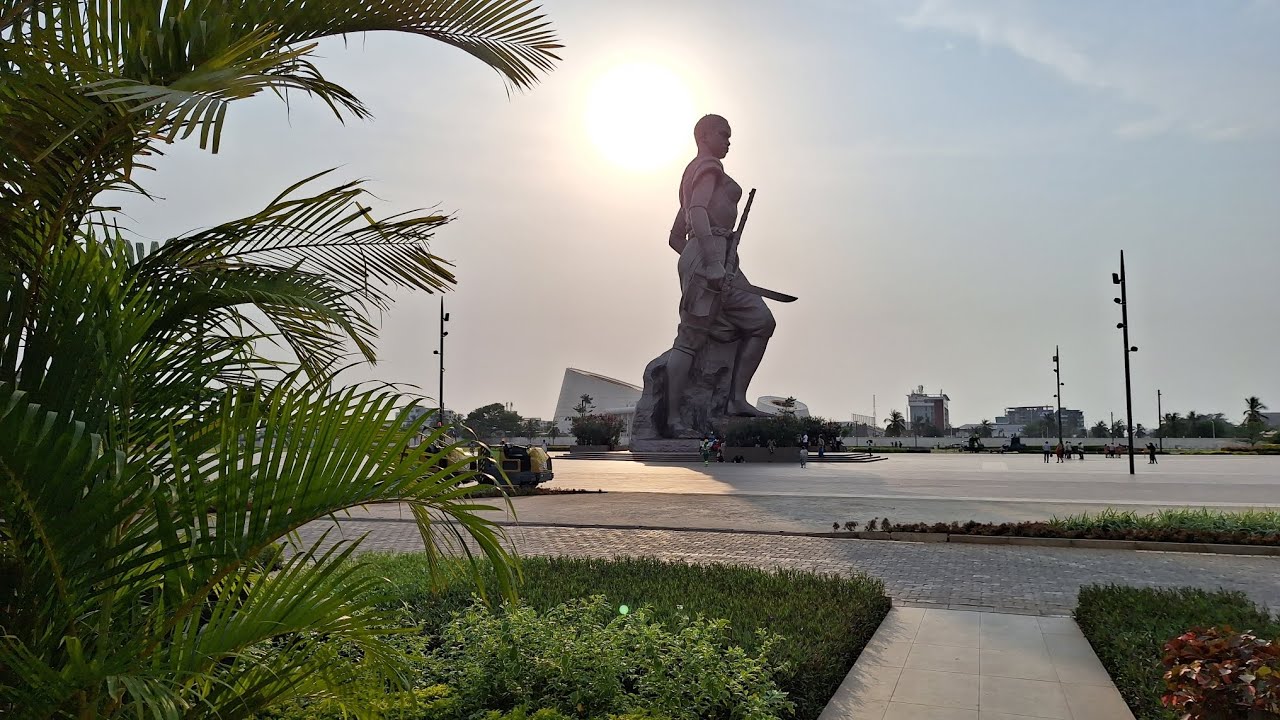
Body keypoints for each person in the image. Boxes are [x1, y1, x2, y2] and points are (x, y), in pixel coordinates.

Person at [661, 114, 776, 435]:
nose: (728, 141)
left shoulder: (693, 176)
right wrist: (709, 261)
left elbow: (674, 237)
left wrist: (713, 256)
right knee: (689, 338)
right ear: (704, 136)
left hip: (719, 258)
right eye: (723, 134)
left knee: (760, 321)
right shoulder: (708, 167)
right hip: (710, 258)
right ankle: (672, 421)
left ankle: (735, 399)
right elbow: (696, 211)